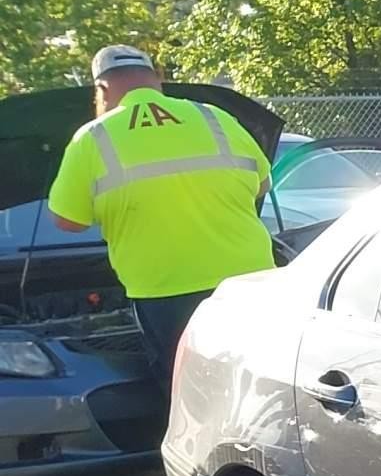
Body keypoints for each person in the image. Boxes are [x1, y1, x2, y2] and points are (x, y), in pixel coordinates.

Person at [46, 45, 274, 390]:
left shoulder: (94, 137)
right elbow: (261, 185)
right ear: (157, 80)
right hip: (253, 280)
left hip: (167, 293)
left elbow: (67, 220)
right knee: (262, 384)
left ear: (101, 90)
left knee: (192, 395)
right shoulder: (215, 117)